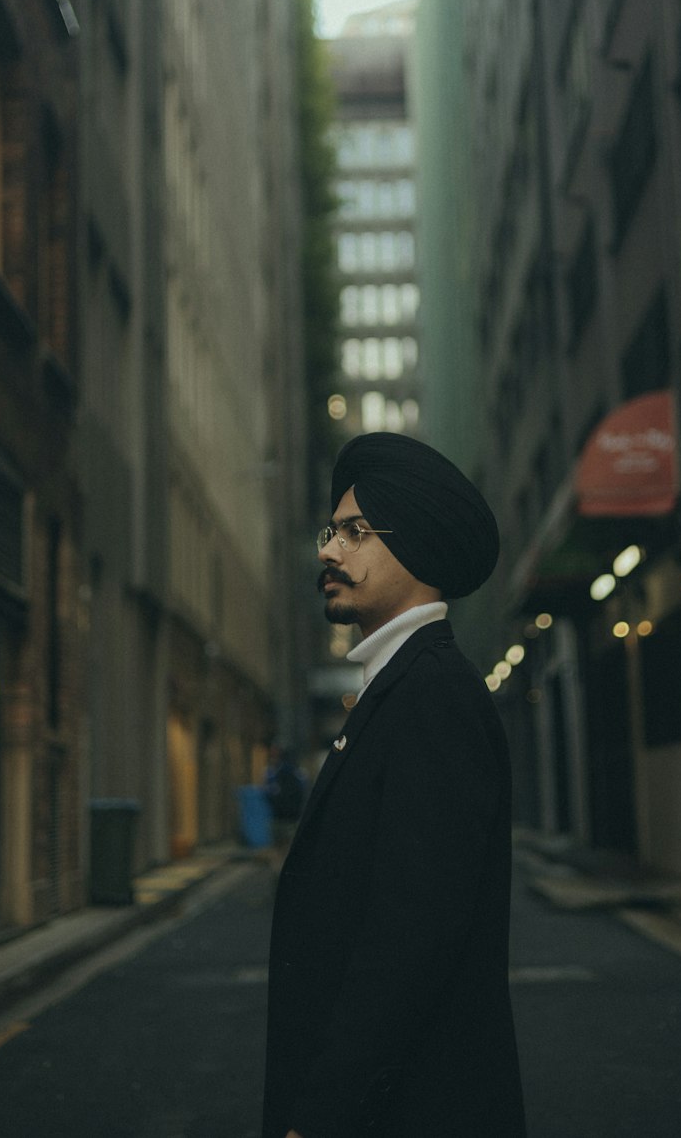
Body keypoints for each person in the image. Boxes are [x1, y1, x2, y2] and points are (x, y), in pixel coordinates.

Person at [262, 432, 526, 1138]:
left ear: (417, 547)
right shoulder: (401, 687)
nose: (328, 549)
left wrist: (317, 1116)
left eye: (355, 531)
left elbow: (408, 941)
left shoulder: (431, 694)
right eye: (332, 530)